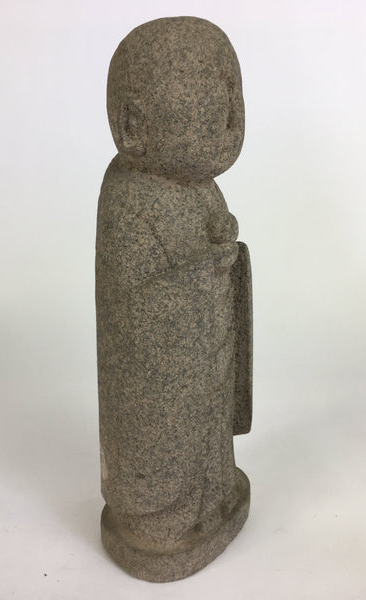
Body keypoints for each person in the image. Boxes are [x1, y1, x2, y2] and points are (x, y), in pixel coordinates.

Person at [96, 16, 252, 581]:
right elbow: (130, 314)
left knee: (210, 445)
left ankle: (214, 499)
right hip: (159, 390)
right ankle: (162, 524)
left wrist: (223, 250)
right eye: (212, 100)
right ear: (134, 125)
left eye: (234, 94)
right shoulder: (127, 201)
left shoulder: (204, 189)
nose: (231, 118)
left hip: (207, 369)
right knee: (167, 469)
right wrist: (203, 277)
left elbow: (217, 252)